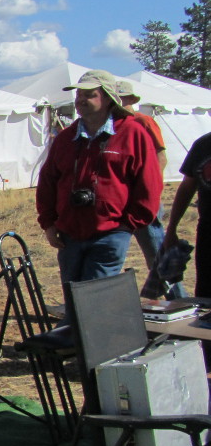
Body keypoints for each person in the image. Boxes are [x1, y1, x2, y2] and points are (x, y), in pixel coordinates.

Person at [36, 70, 162, 311]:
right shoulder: (66, 137)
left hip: (111, 232)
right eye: (79, 95)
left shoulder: (132, 133)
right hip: (70, 234)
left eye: (89, 95)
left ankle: (93, 344)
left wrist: (128, 224)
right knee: (73, 297)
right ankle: (73, 344)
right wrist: (49, 223)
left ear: (107, 98)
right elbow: (48, 182)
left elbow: (149, 184)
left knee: (95, 301)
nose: (81, 100)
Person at [115, 80, 181, 298]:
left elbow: (160, 158)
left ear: (130, 100)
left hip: (142, 197)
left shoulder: (143, 121)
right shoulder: (113, 124)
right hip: (120, 199)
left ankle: (179, 300)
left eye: (121, 97)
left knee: (156, 251)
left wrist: (151, 192)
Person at [163, 131, 211, 297]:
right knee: (206, 294)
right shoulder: (203, 144)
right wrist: (171, 228)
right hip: (208, 229)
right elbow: (187, 187)